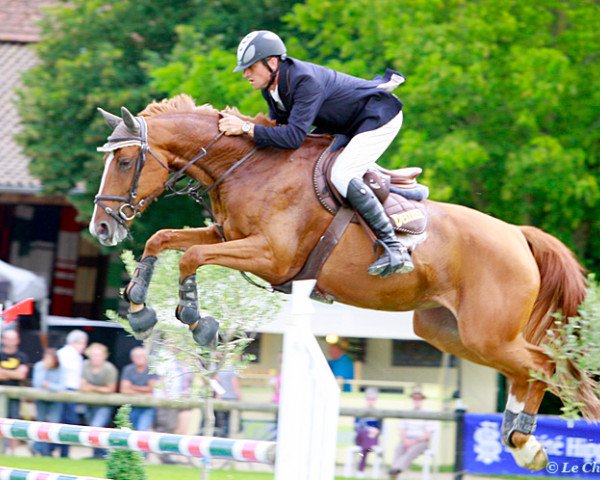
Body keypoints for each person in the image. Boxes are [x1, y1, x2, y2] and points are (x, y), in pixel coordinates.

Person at [219, 30, 414, 279]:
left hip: (378, 116)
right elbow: (279, 132)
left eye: (250, 67)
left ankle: (394, 247)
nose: (246, 74)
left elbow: (292, 137)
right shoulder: (271, 88)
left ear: (272, 62)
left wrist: (245, 128)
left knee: (342, 174)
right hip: (345, 122)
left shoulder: (303, 80)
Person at [80, 342, 118, 459]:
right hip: (88, 403)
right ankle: (98, 454)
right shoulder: (85, 365)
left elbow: (111, 389)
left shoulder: (110, 368)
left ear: (104, 356)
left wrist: (91, 387)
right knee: (93, 428)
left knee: (96, 427)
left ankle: (104, 453)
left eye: (98, 355)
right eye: (93, 355)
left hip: (104, 404)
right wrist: (100, 389)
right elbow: (81, 386)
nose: (95, 357)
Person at [388, 386, 436, 479]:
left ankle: (395, 469)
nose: (416, 400)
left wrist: (415, 441)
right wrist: (405, 440)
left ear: (422, 399)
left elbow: (428, 434)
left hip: (421, 442)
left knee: (412, 451)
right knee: (398, 449)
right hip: (407, 439)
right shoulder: (407, 412)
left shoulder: (428, 413)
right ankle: (395, 473)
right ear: (412, 399)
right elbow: (402, 429)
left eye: (419, 398)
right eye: (415, 398)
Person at [57, 329, 88, 458]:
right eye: (82, 343)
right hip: (63, 391)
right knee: (63, 421)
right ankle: (44, 448)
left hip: (73, 392)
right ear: (73, 342)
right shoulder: (63, 354)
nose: (84, 346)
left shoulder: (78, 357)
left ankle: (64, 452)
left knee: (68, 422)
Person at [31, 347, 64, 456]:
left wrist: (49, 385)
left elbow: (62, 387)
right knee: (40, 422)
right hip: (41, 399)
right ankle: (40, 449)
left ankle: (46, 449)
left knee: (54, 423)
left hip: (55, 400)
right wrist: (44, 369)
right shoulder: (39, 366)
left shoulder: (61, 368)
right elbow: (37, 383)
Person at [119, 347, 158, 431]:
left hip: (148, 405)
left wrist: (132, 387)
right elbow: (124, 390)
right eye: (136, 356)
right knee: (132, 428)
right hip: (132, 405)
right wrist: (144, 390)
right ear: (132, 358)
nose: (139, 358)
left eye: (141, 356)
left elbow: (152, 389)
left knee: (142, 429)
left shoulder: (151, 370)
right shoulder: (128, 369)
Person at [0, 329, 30, 419]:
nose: (10, 342)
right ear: (3, 340)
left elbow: (21, 375)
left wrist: (3, 371)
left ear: (18, 340)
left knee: (13, 419)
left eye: (13, 339)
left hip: (15, 393)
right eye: (8, 339)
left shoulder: (22, 356)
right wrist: (14, 373)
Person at [353, 388, 383, 475]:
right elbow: (356, 428)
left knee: (366, 446)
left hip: (372, 441)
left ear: (376, 400)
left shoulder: (379, 414)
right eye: (369, 398)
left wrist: (376, 431)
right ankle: (361, 469)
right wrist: (368, 430)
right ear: (366, 399)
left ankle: (360, 469)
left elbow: (380, 430)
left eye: (373, 399)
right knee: (364, 434)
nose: (371, 401)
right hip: (360, 439)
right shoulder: (360, 412)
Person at [213, 363, 242, 438]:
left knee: (221, 420)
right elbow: (235, 384)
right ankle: (227, 436)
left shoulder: (217, 368)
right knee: (229, 420)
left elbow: (215, 381)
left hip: (221, 397)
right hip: (231, 397)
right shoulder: (231, 368)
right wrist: (239, 396)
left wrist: (218, 394)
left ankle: (221, 435)